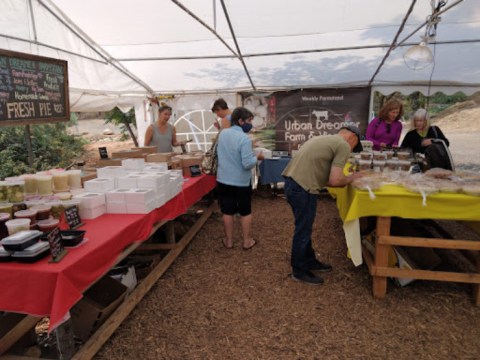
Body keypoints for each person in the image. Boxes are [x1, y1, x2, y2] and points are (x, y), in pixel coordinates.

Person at [282, 125, 364, 285]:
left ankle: (309, 260)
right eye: (355, 146)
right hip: (303, 188)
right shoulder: (343, 145)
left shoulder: (325, 138)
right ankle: (299, 270)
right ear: (353, 137)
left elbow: (324, 178)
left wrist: (344, 179)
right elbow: (335, 181)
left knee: (304, 227)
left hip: (292, 184)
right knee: (303, 230)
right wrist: (353, 177)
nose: (352, 149)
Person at [216, 107, 263, 250]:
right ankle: (247, 241)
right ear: (240, 121)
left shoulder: (223, 133)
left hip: (223, 179)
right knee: (245, 211)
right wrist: (258, 157)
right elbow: (247, 163)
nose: (250, 124)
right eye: (248, 121)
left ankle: (229, 241)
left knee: (227, 211)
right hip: (240, 181)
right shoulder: (244, 138)